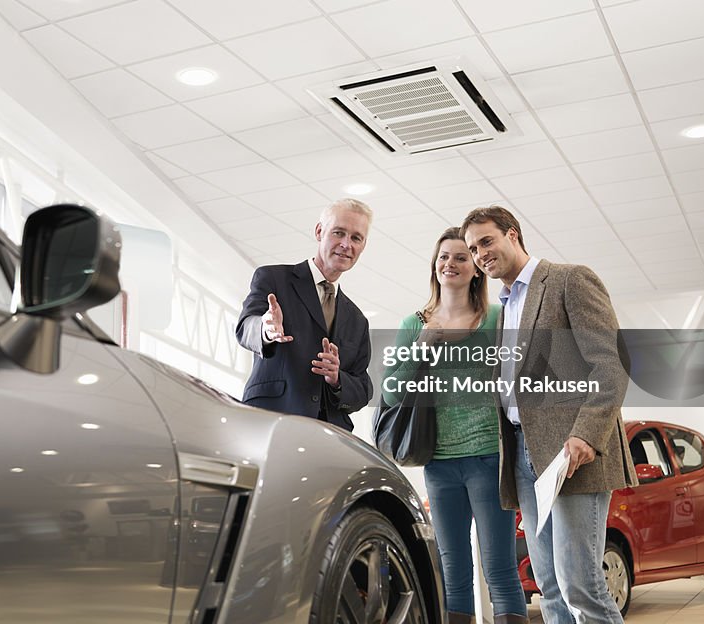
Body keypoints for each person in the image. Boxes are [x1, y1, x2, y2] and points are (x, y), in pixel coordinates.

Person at [461, 206, 636, 624]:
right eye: (472, 248)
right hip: (523, 454)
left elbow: (610, 363)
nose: (480, 254)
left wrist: (586, 435)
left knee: (581, 583)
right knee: (550, 587)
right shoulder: (504, 307)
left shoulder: (567, 280)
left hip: (571, 455)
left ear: (513, 235)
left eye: (487, 241)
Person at [382, 227, 527, 624]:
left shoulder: (496, 319)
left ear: (476, 268)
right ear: (435, 264)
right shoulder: (415, 323)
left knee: (499, 568)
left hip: (489, 459)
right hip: (439, 464)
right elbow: (392, 393)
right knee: (452, 571)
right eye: (444, 257)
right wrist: (422, 346)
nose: (451, 264)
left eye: (462, 257)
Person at [235, 199, 374, 431]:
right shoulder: (273, 279)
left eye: (356, 238)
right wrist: (266, 328)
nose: (346, 244)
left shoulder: (357, 320)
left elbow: (362, 388)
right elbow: (245, 328)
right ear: (320, 232)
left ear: (362, 246)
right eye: (338, 233)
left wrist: (337, 378)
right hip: (272, 421)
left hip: (328, 435)